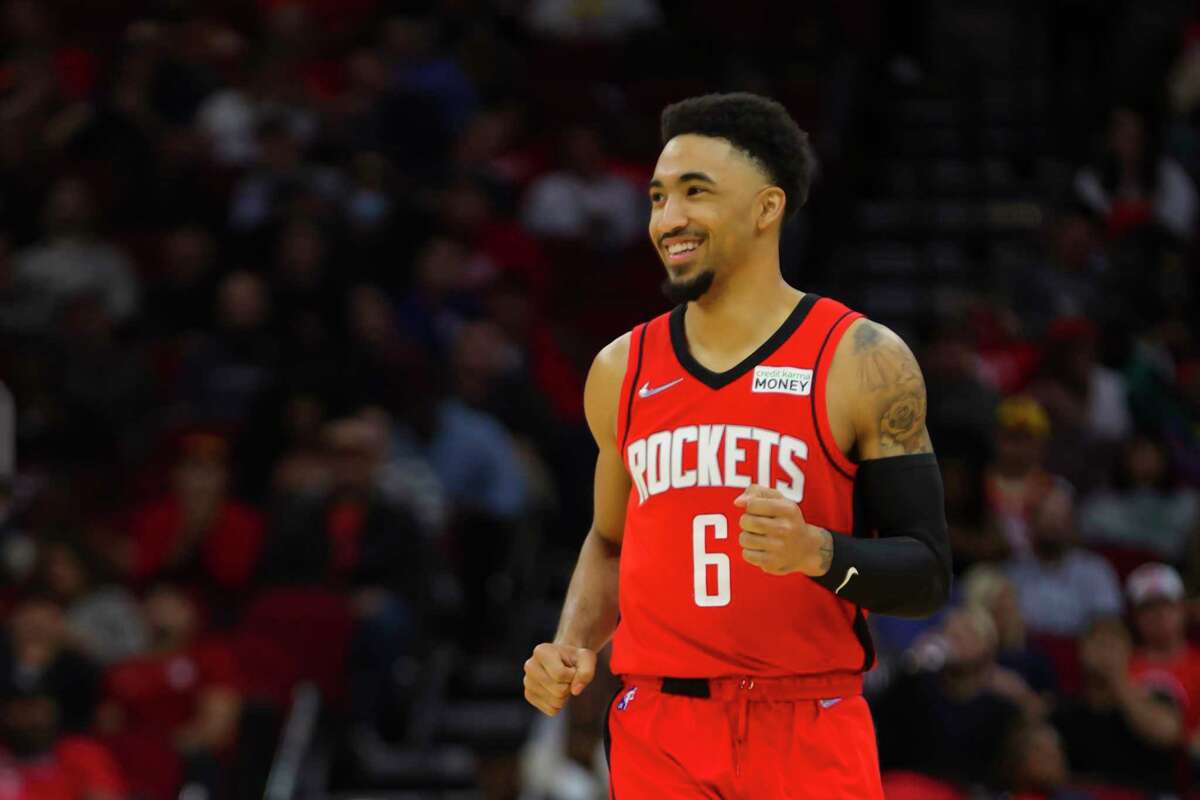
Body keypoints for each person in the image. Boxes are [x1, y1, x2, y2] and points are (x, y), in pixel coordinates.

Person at [522, 92, 952, 798]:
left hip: (807, 718)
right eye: (659, 197)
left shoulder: (861, 359)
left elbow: (927, 572)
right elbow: (608, 542)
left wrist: (817, 551)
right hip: (659, 726)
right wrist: (571, 644)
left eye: (697, 193)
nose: (670, 218)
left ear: (767, 208)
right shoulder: (619, 370)